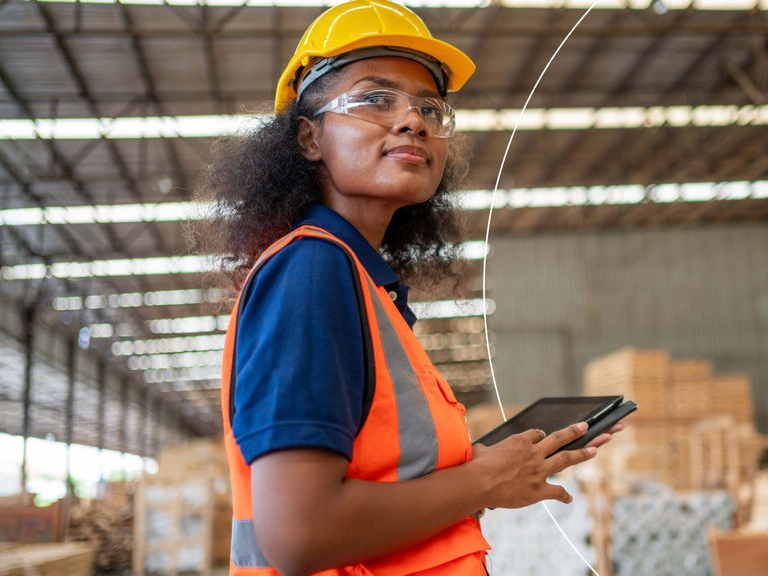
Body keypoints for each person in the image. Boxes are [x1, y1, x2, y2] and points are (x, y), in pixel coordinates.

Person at [198, 2, 622, 574]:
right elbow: (299, 534)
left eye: (430, 107)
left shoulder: (358, 279)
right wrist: (482, 481)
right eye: (375, 98)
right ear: (308, 139)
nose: (413, 120)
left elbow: (381, 478)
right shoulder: (313, 271)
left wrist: (490, 469)